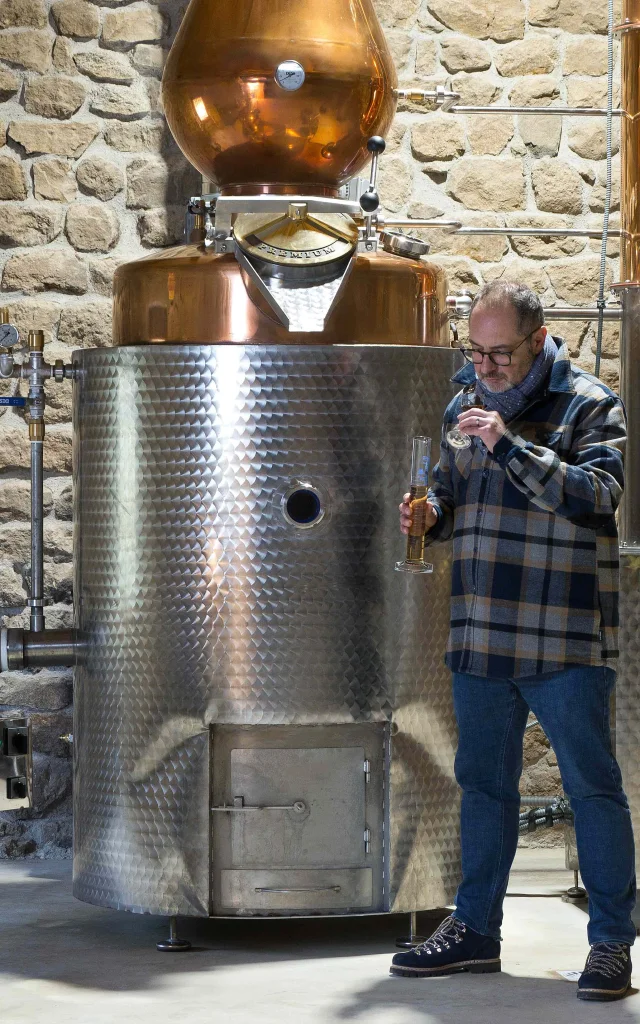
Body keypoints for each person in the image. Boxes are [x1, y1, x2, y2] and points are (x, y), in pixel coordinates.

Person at [390, 281, 636, 1002]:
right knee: (484, 787)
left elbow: (597, 495)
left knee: (593, 788)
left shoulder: (591, 404)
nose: (486, 367)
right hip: (482, 627)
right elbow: (448, 492)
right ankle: (475, 932)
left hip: (565, 630)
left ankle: (613, 943)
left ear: (539, 340)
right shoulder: (462, 400)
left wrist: (507, 446)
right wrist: (426, 512)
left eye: (500, 354)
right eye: (477, 350)